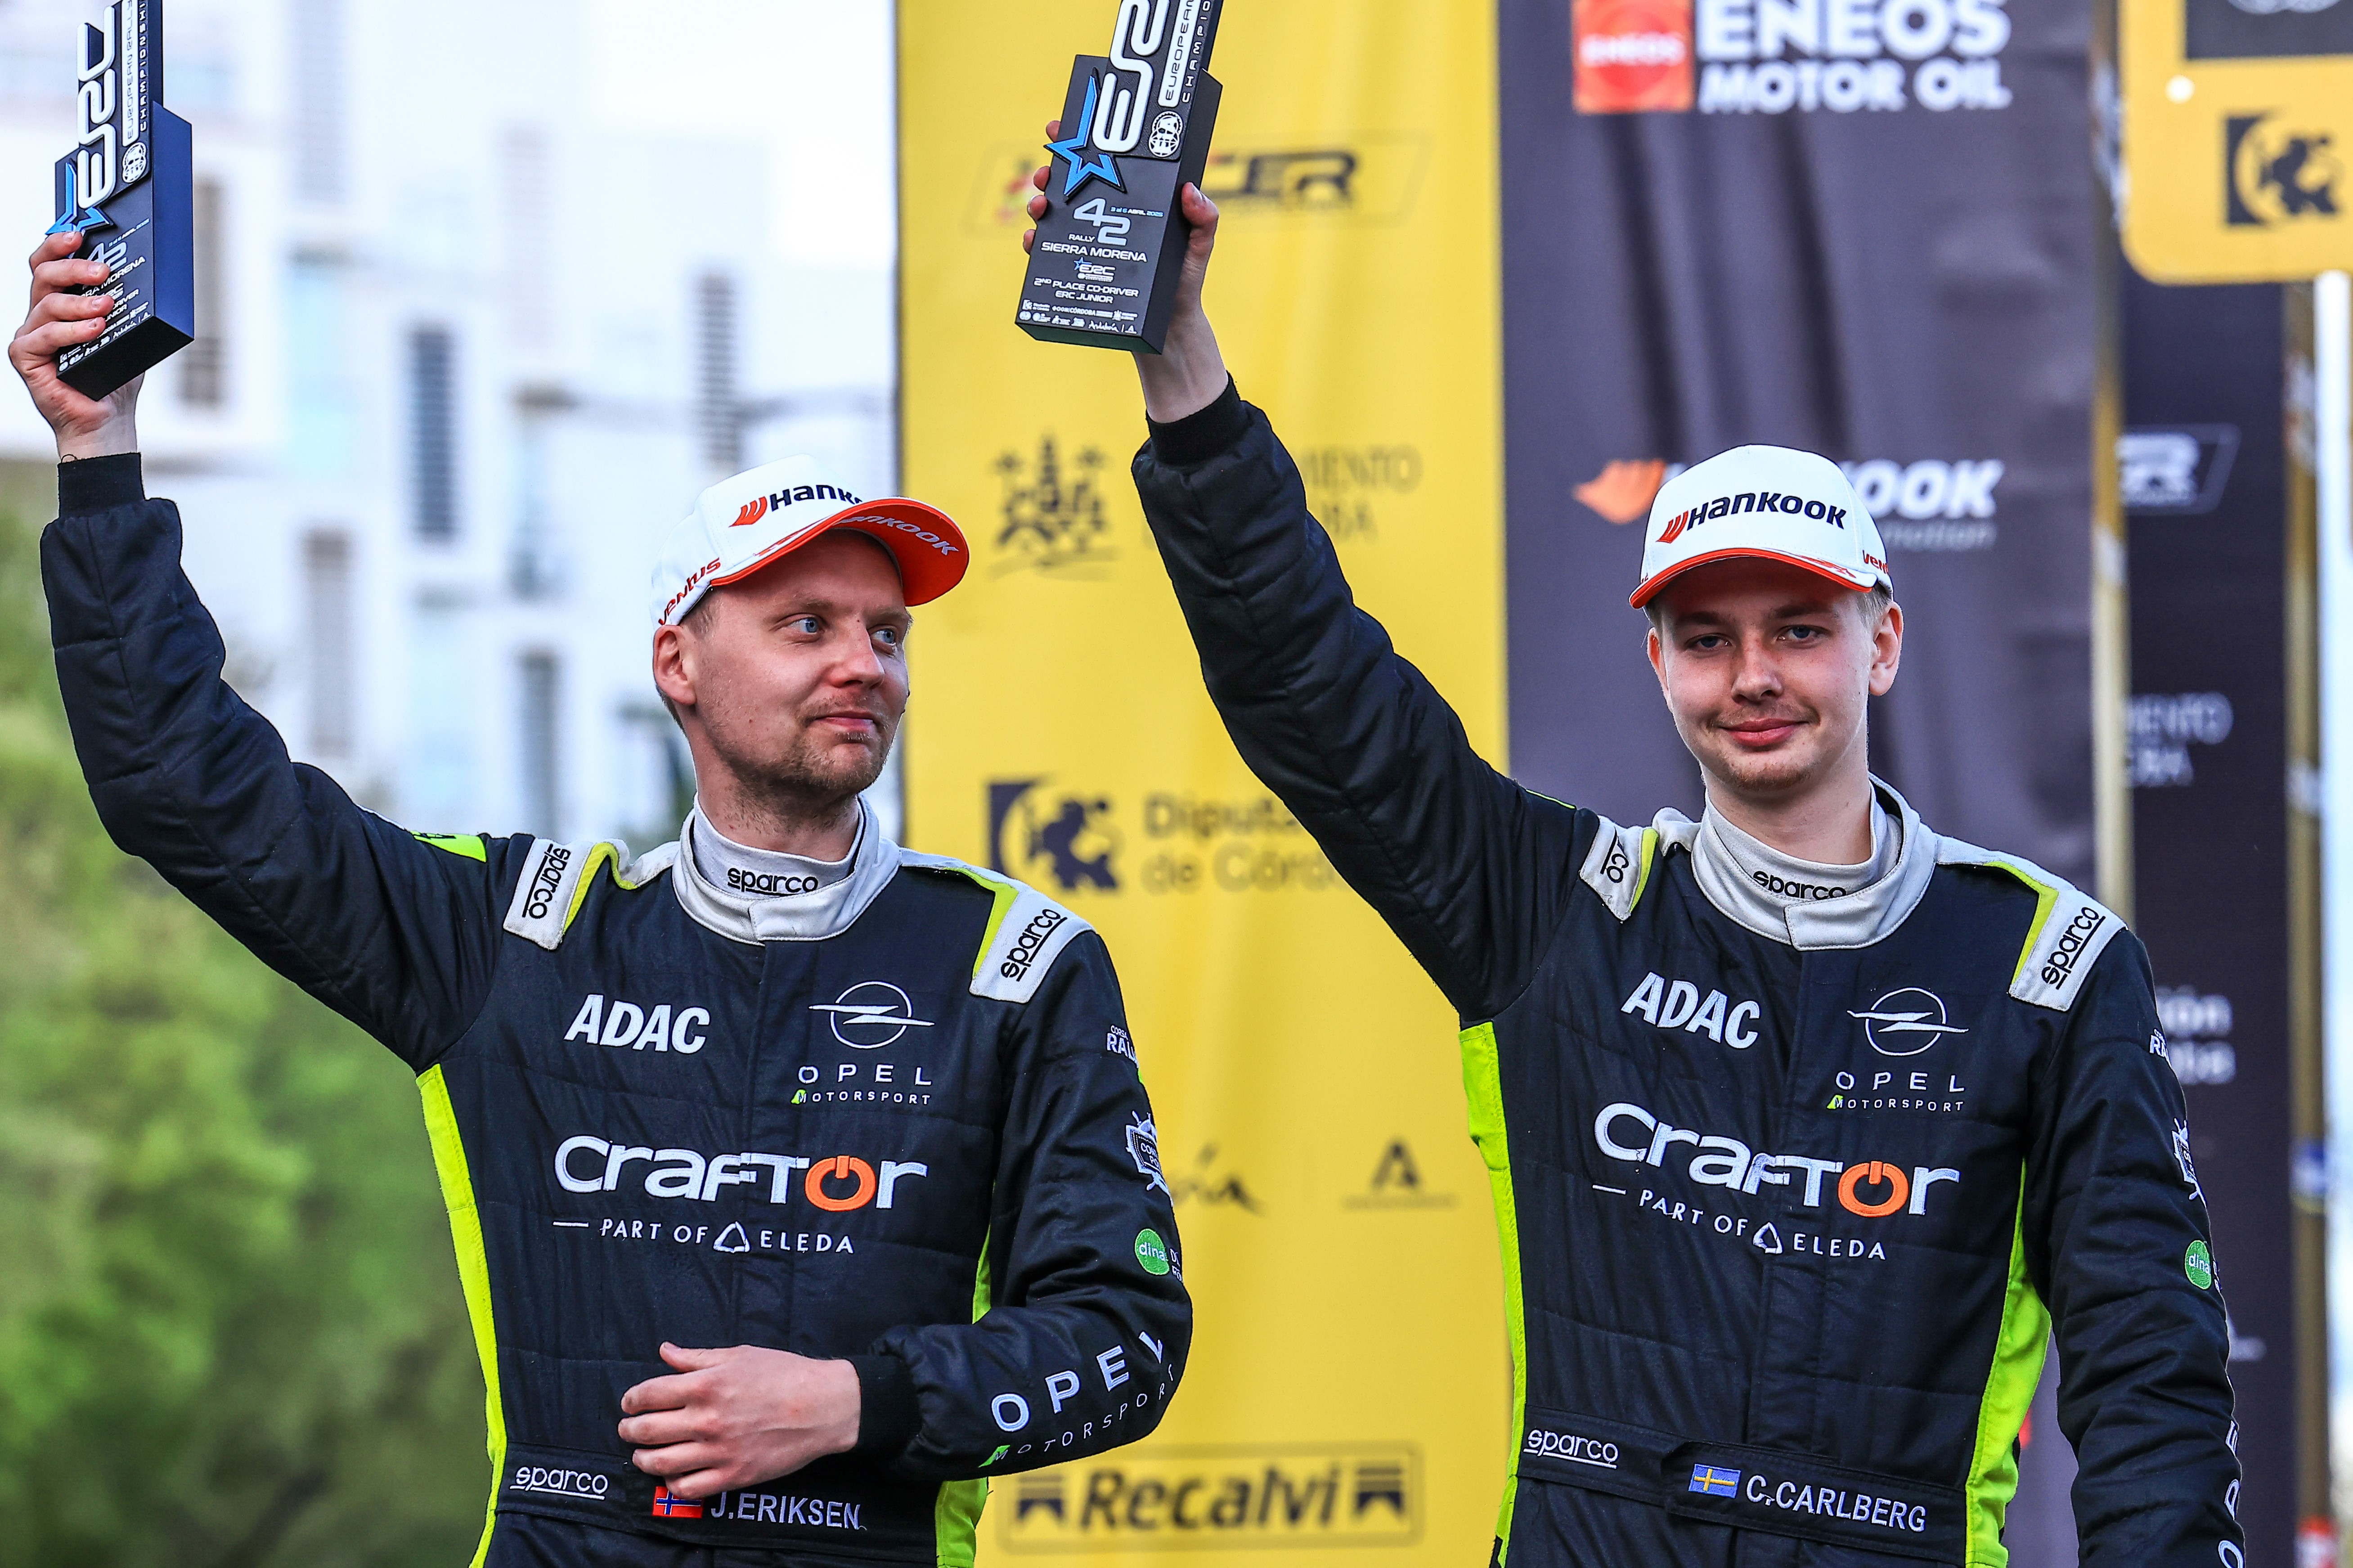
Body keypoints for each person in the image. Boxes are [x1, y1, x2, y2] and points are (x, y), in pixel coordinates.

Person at [1021, 151, 2242, 1566]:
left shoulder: (2046, 970)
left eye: (1800, 630)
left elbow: (2150, 1375)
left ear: (1883, 644)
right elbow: (1310, 688)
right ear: (1657, 662)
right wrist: (1176, 353)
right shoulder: (1557, 912)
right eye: (1708, 639)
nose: (1754, 676)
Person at [11, 228, 1189, 1568]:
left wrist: (851, 1403)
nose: (865, 664)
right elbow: (184, 788)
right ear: (678, 663)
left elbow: (1129, 1338)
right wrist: (97, 450)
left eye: (887, 634)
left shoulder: (1016, 966)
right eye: (807, 625)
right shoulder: (520, 936)